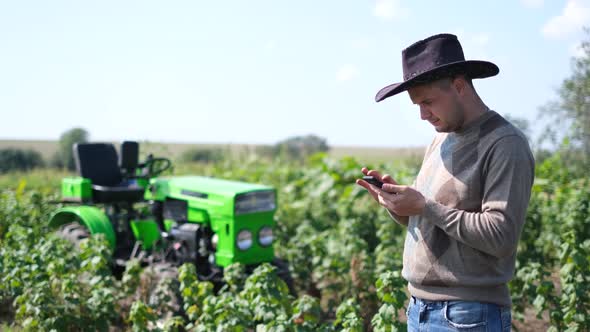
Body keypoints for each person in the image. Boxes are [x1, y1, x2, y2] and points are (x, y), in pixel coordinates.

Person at [356, 33, 534, 331]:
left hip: (467, 315)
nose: (423, 115)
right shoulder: (441, 139)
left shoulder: (504, 143)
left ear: (459, 86)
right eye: (417, 105)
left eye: (428, 102)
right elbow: (434, 222)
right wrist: (400, 206)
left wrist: (424, 206)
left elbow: (500, 237)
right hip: (420, 309)